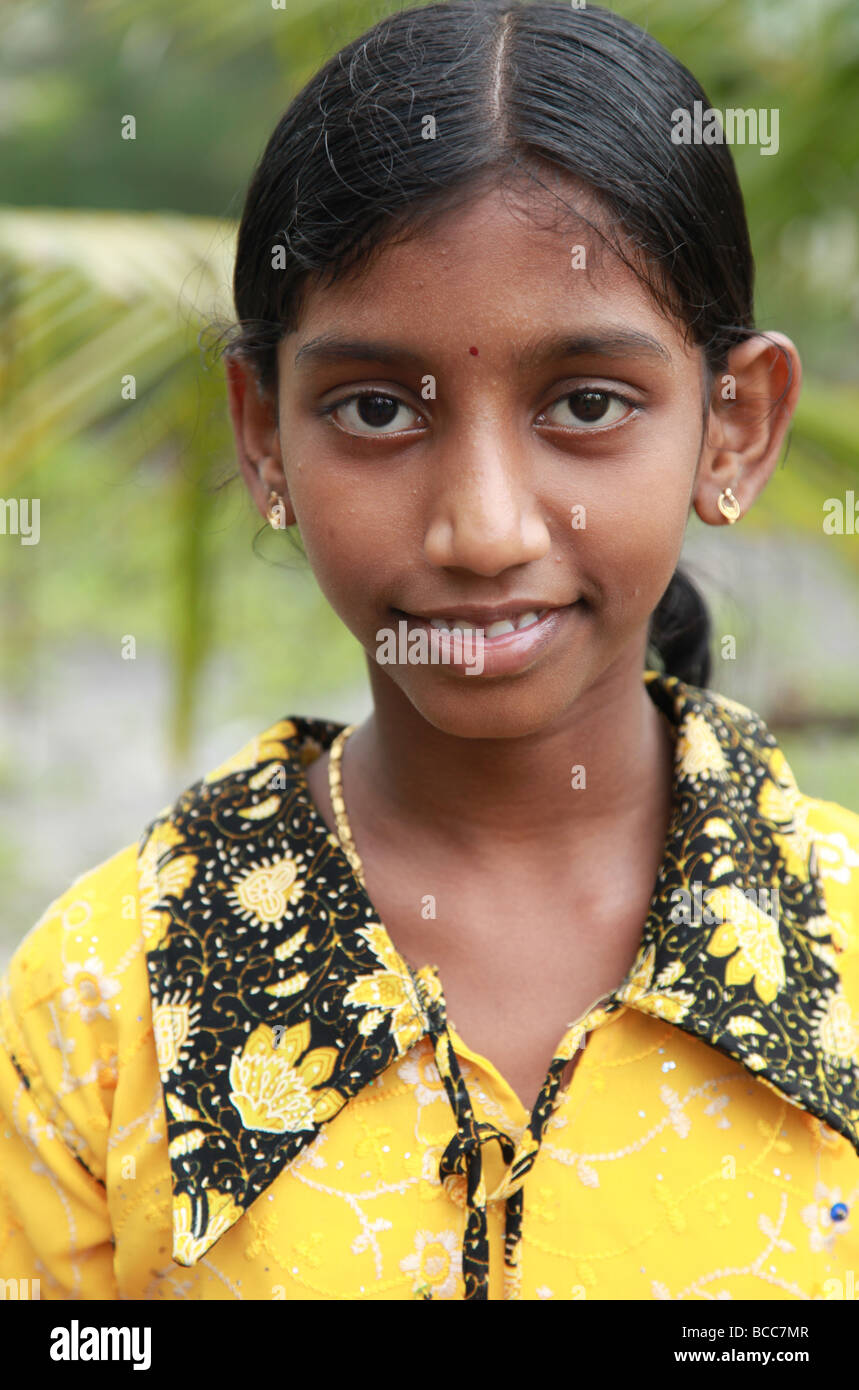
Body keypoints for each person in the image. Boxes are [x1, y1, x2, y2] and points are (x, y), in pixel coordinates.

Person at [1, 0, 857, 1303]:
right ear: (264, 434)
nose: (481, 526)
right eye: (378, 408)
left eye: (585, 403)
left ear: (734, 424)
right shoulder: (98, 1003)